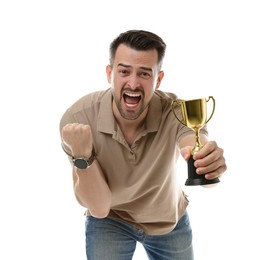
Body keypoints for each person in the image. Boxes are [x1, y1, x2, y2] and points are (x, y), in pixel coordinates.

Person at [59, 29, 227, 260]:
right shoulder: (78, 119)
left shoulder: (175, 110)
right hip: (110, 219)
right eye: (124, 71)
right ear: (110, 74)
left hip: (167, 218)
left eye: (145, 74)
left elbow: (193, 144)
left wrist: (208, 162)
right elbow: (98, 208)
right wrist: (83, 155)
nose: (133, 83)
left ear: (158, 80)